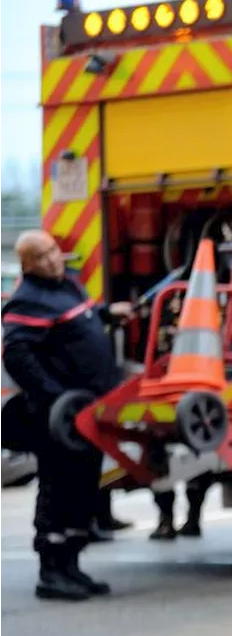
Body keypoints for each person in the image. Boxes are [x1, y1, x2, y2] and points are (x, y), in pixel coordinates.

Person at [1, 230, 131, 600]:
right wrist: (55, 395)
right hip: (58, 418)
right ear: (27, 265)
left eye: (54, 251)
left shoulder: (68, 287)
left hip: (86, 415)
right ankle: (51, 572)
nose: (52, 260)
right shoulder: (27, 301)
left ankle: (72, 566)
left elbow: (80, 322)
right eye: (41, 257)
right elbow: (17, 356)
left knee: (83, 486)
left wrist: (107, 314)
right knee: (57, 487)